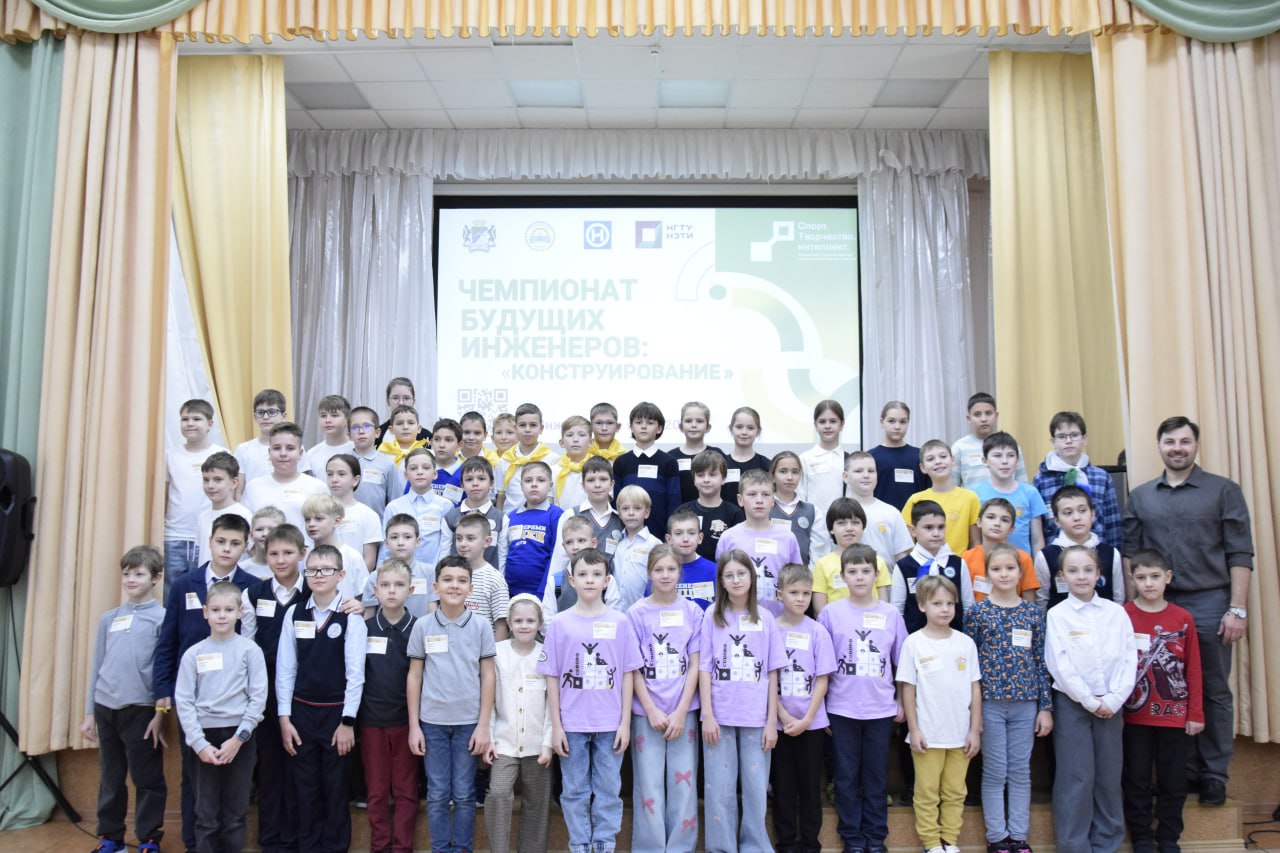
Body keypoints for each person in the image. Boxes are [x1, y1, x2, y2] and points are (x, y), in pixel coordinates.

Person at [1123, 416, 1253, 805]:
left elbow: (1240, 553)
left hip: (1210, 601)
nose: (1177, 448)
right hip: (1156, 604)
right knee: (1162, 686)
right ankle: (1181, 772)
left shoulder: (1224, 491)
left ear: (1196, 445)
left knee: (1212, 688)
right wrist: (1133, 608)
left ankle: (1212, 774)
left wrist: (1237, 609)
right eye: (1170, 442)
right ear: (1159, 446)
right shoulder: (1141, 496)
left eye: (1184, 441)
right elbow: (1131, 554)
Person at [153, 513, 258, 853]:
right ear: (210, 542)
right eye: (221, 541)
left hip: (236, 703)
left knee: (233, 792)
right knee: (194, 784)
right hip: (194, 702)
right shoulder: (186, 583)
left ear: (246, 547)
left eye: (235, 543)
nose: (227, 549)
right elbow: (168, 640)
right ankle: (193, 845)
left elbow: (256, 642)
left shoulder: (253, 586)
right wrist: (162, 690)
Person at [538, 548, 642, 853]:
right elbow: (552, 676)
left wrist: (625, 723)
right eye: (582, 574)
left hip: (610, 723)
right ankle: (580, 844)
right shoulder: (559, 623)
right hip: (572, 723)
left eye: (597, 574)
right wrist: (557, 726)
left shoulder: (621, 622)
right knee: (574, 790)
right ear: (571, 579)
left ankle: (605, 843)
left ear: (607, 580)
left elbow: (627, 673)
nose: (590, 580)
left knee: (608, 789)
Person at [276, 544, 368, 853]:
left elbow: (356, 675)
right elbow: (285, 669)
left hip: (336, 716)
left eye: (326, 569)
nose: (318, 575)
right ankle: (307, 846)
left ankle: (334, 847)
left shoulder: (351, 616)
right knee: (304, 789)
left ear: (340, 575)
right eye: (312, 570)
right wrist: (284, 718)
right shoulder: (295, 613)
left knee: (335, 788)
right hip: (301, 714)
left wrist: (347, 722)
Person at [1045, 545, 1137, 853]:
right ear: (1062, 576)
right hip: (1073, 704)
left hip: (1112, 704)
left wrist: (1114, 699)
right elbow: (1059, 664)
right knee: (1076, 776)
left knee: (1109, 776)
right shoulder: (1057, 615)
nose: (1081, 576)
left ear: (1099, 574)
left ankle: (1107, 843)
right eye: (1073, 571)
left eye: (1088, 570)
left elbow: (1129, 658)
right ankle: (1074, 845)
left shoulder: (1116, 613)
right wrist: (1089, 700)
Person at [818, 544, 907, 853]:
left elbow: (902, 664)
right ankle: (853, 839)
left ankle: (875, 837)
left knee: (875, 776)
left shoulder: (891, 614)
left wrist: (901, 702)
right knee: (845, 777)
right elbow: (822, 667)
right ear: (842, 577)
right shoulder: (830, 614)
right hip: (841, 709)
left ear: (877, 574)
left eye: (865, 571)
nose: (859, 577)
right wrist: (822, 709)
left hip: (880, 710)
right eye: (852, 572)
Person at [965, 544, 1053, 853]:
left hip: (1026, 703)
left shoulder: (1033, 613)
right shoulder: (978, 612)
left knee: (1019, 770)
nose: (1004, 574)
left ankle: (1019, 836)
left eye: (1010, 568)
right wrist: (973, 711)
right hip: (989, 703)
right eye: (997, 569)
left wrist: (1045, 707)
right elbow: (969, 665)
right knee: (995, 770)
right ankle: (997, 837)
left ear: (1020, 572)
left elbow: (1040, 661)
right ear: (987, 574)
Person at [407, 556, 497, 853]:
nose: (454, 586)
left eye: (461, 581)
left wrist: (483, 725)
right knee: (436, 793)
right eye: (447, 580)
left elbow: (488, 675)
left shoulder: (481, 626)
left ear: (470, 588)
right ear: (435, 587)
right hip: (432, 723)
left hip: (468, 723)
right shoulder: (422, 626)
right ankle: (440, 849)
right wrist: (414, 727)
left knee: (464, 792)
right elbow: (414, 676)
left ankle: (462, 848)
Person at [699, 549, 786, 853]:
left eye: (741, 573)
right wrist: (707, 714)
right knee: (719, 789)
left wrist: (772, 721)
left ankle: (754, 846)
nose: (736, 580)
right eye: (729, 575)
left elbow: (773, 672)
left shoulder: (766, 618)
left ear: (752, 577)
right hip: (719, 717)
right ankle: (721, 847)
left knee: (756, 788)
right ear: (721, 581)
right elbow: (705, 667)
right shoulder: (712, 616)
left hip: (756, 717)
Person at [82, 546, 167, 853]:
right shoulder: (110, 618)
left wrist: (159, 713)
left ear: (156, 578)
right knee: (111, 777)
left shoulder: (162, 619)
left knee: (147, 778)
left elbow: (163, 670)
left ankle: (148, 839)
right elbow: (98, 664)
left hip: (140, 710)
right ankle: (111, 837)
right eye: (127, 573)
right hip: (106, 708)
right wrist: (89, 712)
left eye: (139, 574)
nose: (131, 579)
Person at [174, 581, 268, 853]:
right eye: (215, 610)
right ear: (205, 612)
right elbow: (184, 701)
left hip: (239, 737)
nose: (222, 615)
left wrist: (239, 739)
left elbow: (258, 698)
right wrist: (199, 744)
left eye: (228, 609)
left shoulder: (250, 651)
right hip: (204, 739)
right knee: (206, 814)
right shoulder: (194, 654)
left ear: (240, 612)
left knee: (235, 812)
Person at [1123, 549, 1205, 853]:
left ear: (1167, 578)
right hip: (1133, 716)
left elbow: (1193, 668)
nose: (1149, 583)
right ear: (1132, 580)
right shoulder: (1122, 615)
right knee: (1136, 777)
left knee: (1173, 779)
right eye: (1141, 577)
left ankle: (1169, 837)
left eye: (1155, 576)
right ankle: (1141, 836)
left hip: (1174, 714)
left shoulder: (1182, 618)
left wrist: (1195, 713)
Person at [897, 575, 983, 853]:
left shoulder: (965, 643)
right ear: (922, 605)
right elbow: (908, 689)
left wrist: (974, 729)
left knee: (956, 791)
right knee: (927, 792)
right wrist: (914, 729)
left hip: (960, 734)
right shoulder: (913, 643)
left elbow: (975, 689)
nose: (945, 609)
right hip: (928, 734)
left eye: (950, 604)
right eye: (937, 603)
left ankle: (949, 840)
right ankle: (932, 843)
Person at [628, 545, 704, 853]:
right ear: (649, 573)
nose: (665, 575)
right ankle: (650, 846)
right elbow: (633, 667)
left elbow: (696, 663)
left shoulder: (693, 612)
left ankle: (680, 847)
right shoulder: (636, 613)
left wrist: (682, 710)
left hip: (683, 711)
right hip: (647, 713)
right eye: (658, 569)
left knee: (684, 784)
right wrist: (651, 710)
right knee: (648, 783)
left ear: (680, 573)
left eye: (671, 569)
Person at [239, 523, 310, 853]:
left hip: (304, 691)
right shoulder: (254, 594)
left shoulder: (314, 591)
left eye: (288, 553)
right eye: (273, 554)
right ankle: (271, 841)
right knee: (269, 767)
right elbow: (248, 646)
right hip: (266, 692)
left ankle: (297, 839)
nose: (280, 560)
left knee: (300, 767)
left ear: (302, 554)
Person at [771, 564, 835, 853]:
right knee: (783, 786)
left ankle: (810, 844)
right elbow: (768, 677)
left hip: (812, 724)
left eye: (806, 593)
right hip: (779, 723)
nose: (800, 599)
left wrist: (808, 718)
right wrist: (783, 716)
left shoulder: (818, 631)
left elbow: (822, 679)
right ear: (779, 594)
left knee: (810, 787)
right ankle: (786, 842)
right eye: (793, 592)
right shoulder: (771, 629)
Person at [485, 594, 554, 853]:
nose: (524, 626)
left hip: (538, 745)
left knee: (537, 802)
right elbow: (489, 700)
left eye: (530, 621)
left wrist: (548, 743)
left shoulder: (546, 654)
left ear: (539, 623)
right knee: (498, 793)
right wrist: (489, 738)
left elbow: (552, 705)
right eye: (518, 621)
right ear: (510, 623)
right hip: (504, 743)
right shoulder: (498, 653)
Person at [360, 560, 420, 853]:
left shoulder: (419, 628)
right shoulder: (365, 629)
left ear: (410, 590)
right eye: (385, 585)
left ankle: (402, 847)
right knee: (376, 791)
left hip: (407, 723)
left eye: (398, 585)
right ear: (376, 591)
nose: (392, 591)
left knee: (406, 790)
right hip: (372, 722)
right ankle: (380, 846)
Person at [715, 468, 802, 616]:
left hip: (779, 617)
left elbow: (797, 581)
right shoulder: (728, 538)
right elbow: (721, 580)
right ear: (740, 500)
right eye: (752, 494)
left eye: (766, 494)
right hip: (739, 617)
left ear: (773, 500)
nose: (759, 500)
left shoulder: (787, 537)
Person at [165, 398, 228, 592]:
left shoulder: (223, 454)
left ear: (210, 424)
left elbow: (230, 497)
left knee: (206, 591)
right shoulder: (170, 455)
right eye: (185, 419)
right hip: (174, 536)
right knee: (173, 593)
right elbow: (163, 495)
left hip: (209, 536)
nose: (190, 423)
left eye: (196, 419)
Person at [1032, 411, 1122, 546]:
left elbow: (1112, 524)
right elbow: (1038, 528)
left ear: (1085, 439)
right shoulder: (1041, 480)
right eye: (1061, 436)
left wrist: (1113, 554)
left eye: (1074, 435)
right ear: (1053, 442)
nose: (1068, 441)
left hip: (1096, 553)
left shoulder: (1102, 478)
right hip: (1056, 554)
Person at [1034, 485, 1125, 610]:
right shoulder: (1046, 556)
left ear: (1092, 514)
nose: (1077, 518)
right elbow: (1042, 599)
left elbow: (1118, 598)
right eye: (1068, 513)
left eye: (1082, 510)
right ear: (1057, 520)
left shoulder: (1111, 553)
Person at [891, 500, 975, 633]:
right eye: (929, 528)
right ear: (913, 530)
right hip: (915, 639)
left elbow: (968, 606)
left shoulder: (958, 564)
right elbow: (897, 609)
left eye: (941, 527)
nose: (936, 533)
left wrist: (967, 636)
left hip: (953, 637)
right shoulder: (903, 567)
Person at [547, 455, 624, 595]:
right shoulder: (571, 515)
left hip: (608, 594)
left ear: (612, 484)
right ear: (583, 485)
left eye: (603, 479)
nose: (597, 485)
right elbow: (559, 559)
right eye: (591, 480)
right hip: (573, 592)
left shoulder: (620, 520)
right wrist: (554, 592)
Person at [241, 421, 329, 539]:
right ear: (269, 452)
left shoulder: (317, 487)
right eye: (277, 448)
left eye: (290, 448)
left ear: (300, 453)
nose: (283, 453)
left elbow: (327, 530)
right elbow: (245, 529)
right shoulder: (253, 487)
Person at [612, 401, 682, 538]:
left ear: (659, 428)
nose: (644, 426)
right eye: (638, 422)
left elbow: (673, 502)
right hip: (627, 535)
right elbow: (616, 502)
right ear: (631, 427)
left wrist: (670, 534)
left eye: (650, 423)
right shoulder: (621, 462)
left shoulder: (668, 462)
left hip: (660, 534)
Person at [972, 432, 1049, 555]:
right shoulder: (974, 494)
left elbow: (1037, 540)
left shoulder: (1030, 492)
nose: (1004, 461)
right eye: (997, 455)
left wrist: (1037, 565)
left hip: (1022, 563)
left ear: (1017, 460)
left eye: (1010, 455)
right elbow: (975, 540)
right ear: (985, 460)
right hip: (987, 562)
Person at [810, 499, 893, 612]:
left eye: (855, 522)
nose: (849, 528)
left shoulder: (877, 561)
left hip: (870, 620)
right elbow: (820, 610)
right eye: (841, 523)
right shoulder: (822, 564)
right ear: (831, 529)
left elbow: (883, 605)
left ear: (863, 527)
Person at [903, 440, 980, 556]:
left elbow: (976, 543)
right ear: (922, 467)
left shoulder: (970, 498)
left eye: (943, 456)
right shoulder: (915, 500)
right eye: (930, 459)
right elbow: (908, 544)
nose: (938, 462)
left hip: (959, 564)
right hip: (925, 565)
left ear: (953, 460)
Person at [381, 447, 452, 568]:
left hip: (433, 573)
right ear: (406, 475)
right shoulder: (393, 507)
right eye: (413, 468)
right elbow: (386, 548)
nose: (419, 472)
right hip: (399, 573)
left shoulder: (445, 506)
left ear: (435, 474)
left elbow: (445, 546)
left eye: (426, 467)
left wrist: (440, 572)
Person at [504, 460, 564, 599]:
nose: (534, 484)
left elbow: (556, 556)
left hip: (542, 592)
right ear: (521, 486)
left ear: (550, 486)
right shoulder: (511, 517)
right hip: (510, 591)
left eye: (541, 480)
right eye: (528, 480)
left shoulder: (557, 515)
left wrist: (543, 591)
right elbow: (505, 553)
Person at [843, 451, 914, 568]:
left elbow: (902, 556)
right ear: (846, 477)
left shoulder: (891, 513)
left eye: (871, 471)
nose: (866, 475)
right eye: (858, 471)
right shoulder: (838, 511)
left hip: (888, 578)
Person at [962, 498, 1039, 604]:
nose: (997, 523)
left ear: (1011, 529)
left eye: (1004, 520)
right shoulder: (966, 558)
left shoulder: (1023, 558)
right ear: (979, 522)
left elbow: (1029, 602)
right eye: (991, 517)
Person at [798, 399, 847, 561]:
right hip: (815, 529)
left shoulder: (849, 459)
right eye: (822, 421)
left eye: (833, 421)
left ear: (842, 424)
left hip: (843, 526)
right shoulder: (806, 458)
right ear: (815, 425)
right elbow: (801, 495)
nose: (827, 426)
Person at [441, 455, 509, 572]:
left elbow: (502, 556)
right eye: (469, 479)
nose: (475, 483)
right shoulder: (450, 517)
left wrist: (499, 580)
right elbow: (444, 553)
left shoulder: (501, 519)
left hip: (489, 580)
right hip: (457, 578)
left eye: (481, 479)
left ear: (491, 484)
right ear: (462, 485)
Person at [675, 449, 743, 562]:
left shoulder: (735, 514)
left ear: (723, 479)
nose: (706, 480)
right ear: (694, 480)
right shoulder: (682, 512)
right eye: (700, 475)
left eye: (712, 475)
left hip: (723, 571)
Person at [452, 512, 512, 640]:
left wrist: (495, 652)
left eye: (470, 538)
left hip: (482, 650)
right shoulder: (449, 575)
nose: (463, 544)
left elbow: (501, 625)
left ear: (487, 541)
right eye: (459, 538)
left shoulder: (495, 579)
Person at [303, 493, 371, 604]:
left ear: (337, 521)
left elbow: (364, 595)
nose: (311, 524)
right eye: (307, 519)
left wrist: (359, 607)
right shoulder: (304, 555)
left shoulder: (351, 556)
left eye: (318, 519)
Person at [951, 392, 1027, 488]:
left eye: (988, 413)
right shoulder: (959, 448)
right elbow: (952, 487)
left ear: (996, 415)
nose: (983, 419)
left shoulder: (1010, 445)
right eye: (977, 415)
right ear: (969, 419)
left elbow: (1022, 483)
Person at [194, 451, 253, 570]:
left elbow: (253, 555)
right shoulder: (203, 516)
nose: (210, 485)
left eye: (218, 480)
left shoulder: (245, 515)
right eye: (206, 480)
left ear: (234, 483)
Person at [496, 403, 560, 512]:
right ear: (515, 428)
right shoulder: (505, 459)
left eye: (533, 425)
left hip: (541, 518)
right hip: (511, 518)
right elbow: (501, 495)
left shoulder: (552, 459)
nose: (527, 429)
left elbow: (552, 495)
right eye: (522, 425)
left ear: (541, 428)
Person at [868, 401, 930, 511]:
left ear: (908, 423)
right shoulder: (870, 457)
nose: (897, 427)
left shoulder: (920, 456)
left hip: (914, 518)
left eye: (902, 422)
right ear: (882, 422)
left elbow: (929, 492)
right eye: (891, 421)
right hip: (880, 518)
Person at [325, 453, 383, 572]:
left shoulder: (368, 515)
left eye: (341, 474)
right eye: (330, 474)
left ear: (355, 480)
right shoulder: (319, 512)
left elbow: (369, 560)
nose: (334, 479)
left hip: (356, 579)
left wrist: (351, 579)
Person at [348, 405, 405, 518]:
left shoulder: (387, 464)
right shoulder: (343, 463)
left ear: (377, 432)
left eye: (367, 426)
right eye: (355, 427)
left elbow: (395, 503)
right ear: (349, 435)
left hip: (378, 526)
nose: (361, 431)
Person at [612, 485, 661, 611]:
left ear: (647, 512)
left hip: (644, 612)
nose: (631, 513)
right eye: (625, 508)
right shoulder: (616, 542)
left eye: (637, 508)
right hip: (616, 611)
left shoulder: (655, 545)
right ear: (619, 513)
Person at [233, 388, 292, 487]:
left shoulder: (293, 448)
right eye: (260, 412)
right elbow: (238, 490)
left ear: (284, 416)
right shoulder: (243, 450)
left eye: (272, 412)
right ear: (255, 417)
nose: (265, 417)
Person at [664, 508, 717, 610]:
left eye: (691, 533)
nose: (685, 539)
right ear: (669, 539)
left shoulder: (714, 571)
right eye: (678, 533)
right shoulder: (661, 571)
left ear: (700, 538)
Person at [770, 451, 816, 566]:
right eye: (783, 471)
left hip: (802, 574)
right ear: (773, 476)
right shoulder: (764, 508)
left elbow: (817, 553)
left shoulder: (812, 511)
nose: (790, 477)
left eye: (795, 472)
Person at [670, 401, 721, 503]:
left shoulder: (717, 454)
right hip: (680, 511)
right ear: (680, 427)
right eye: (688, 421)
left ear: (708, 427)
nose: (694, 425)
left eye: (699, 421)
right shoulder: (671, 457)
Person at [722, 406, 771, 506]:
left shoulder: (766, 465)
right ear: (731, 429)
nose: (744, 432)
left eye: (750, 428)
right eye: (739, 427)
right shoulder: (721, 464)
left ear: (758, 431)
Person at [304, 394, 354, 478]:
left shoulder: (356, 450)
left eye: (334, 415)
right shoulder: (312, 454)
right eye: (323, 416)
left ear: (347, 419)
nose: (328, 420)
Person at [374, 377, 431, 447]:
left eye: (406, 398)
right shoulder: (377, 435)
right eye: (395, 398)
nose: (401, 403)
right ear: (388, 401)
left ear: (413, 402)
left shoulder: (427, 437)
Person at [554, 414, 593, 509]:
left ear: (591, 442)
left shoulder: (599, 469)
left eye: (582, 435)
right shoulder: (553, 471)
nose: (575, 440)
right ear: (562, 443)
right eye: (570, 435)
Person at [378, 404, 429, 472]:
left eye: (410, 423)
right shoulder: (383, 451)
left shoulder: (425, 454)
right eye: (399, 423)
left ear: (419, 429)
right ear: (391, 430)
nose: (405, 427)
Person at [241, 505, 286, 581]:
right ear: (251, 535)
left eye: (271, 530)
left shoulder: (289, 568)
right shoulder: (241, 569)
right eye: (259, 529)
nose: (265, 534)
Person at [429, 417, 465, 505]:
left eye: (448, 440)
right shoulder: (420, 468)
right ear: (431, 443)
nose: (441, 445)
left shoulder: (465, 472)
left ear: (459, 445)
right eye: (437, 439)